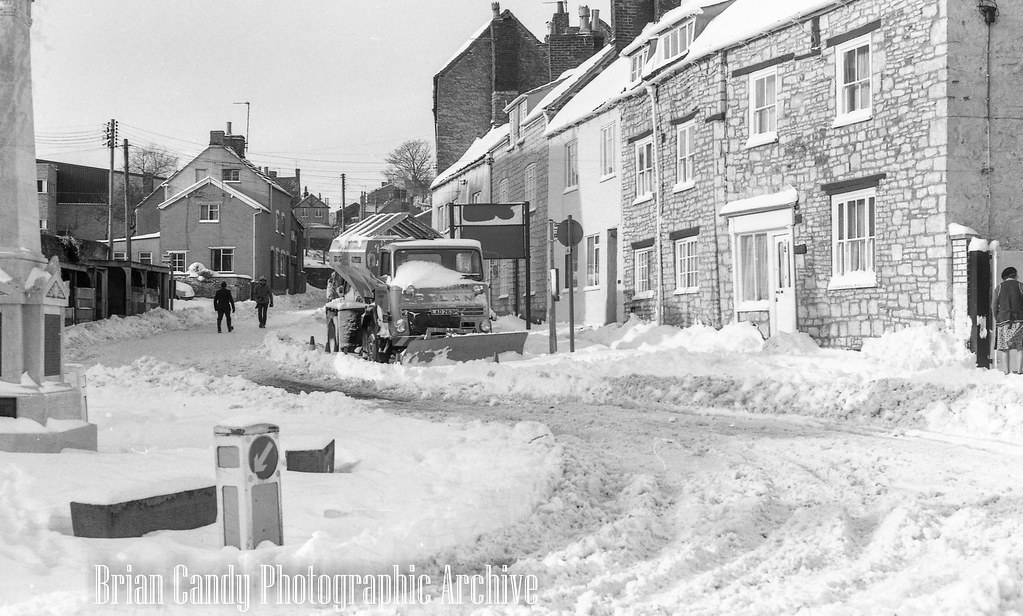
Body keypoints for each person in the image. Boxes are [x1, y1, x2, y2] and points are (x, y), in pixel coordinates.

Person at [994, 266, 1023, 374]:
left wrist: (997, 317)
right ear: (1013, 275)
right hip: (1019, 320)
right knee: (1021, 347)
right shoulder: (1020, 286)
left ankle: (1006, 372)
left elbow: (994, 305)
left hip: (1003, 321)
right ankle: (1020, 371)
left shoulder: (999, 287)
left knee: (1004, 347)